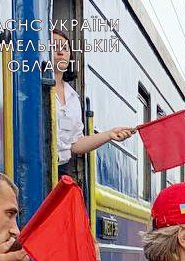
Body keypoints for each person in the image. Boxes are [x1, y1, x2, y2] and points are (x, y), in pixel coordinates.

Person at [51, 30, 134, 181]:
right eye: (54, 46)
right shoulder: (36, 88)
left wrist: (109, 134)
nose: (60, 51)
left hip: (62, 171)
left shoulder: (73, 98)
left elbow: (75, 145)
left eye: (65, 48)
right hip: (38, 167)